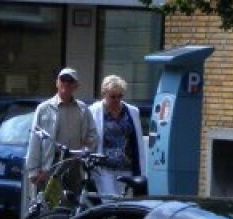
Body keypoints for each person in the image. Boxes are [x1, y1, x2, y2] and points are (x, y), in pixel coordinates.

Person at [25, 67, 97, 203]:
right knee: (50, 207)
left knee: (73, 206)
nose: (66, 83)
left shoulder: (83, 109)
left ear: (76, 85)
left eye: (70, 81)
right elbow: (35, 139)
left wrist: (83, 151)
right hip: (51, 164)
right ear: (57, 83)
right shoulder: (44, 108)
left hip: (74, 164)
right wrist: (34, 170)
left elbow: (93, 135)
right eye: (63, 80)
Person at [88, 75, 147, 197]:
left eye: (120, 96)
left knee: (124, 205)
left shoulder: (132, 112)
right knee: (108, 202)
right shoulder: (94, 111)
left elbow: (137, 142)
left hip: (126, 168)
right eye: (113, 97)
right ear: (104, 94)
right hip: (104, 168)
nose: (117, 100)